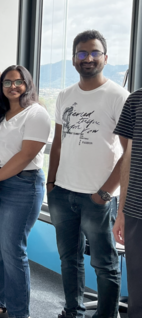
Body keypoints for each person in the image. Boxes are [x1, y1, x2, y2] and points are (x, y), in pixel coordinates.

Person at [47, 30, 129, 318]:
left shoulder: (119, 97)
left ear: (106, 57)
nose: (88, 58)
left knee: (104, 264)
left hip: (97, 196)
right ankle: (73, 311)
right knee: (69, 259)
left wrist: (104, 193)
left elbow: (128, 153)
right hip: (62, 193)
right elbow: (58, 144)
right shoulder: (65, 95)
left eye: (95, 52)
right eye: (82, 53)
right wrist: (51, 183)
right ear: (73, 59)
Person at [0, 65, 51, 318]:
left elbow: (27, 154)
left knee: (13, 250)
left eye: (18, 82)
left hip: (23, 186)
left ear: (27, 84)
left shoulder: (36, 113)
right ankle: (2, 303)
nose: (13, 86)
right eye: (7, 82)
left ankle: (19, 313)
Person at [113, 90, 142, 318]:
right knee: (138, 294)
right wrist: (121, 211)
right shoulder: (136, 100)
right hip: (136, 210)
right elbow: (128, 156)